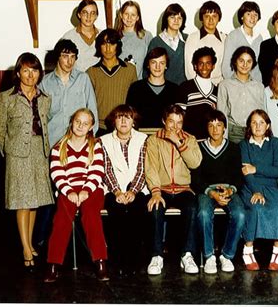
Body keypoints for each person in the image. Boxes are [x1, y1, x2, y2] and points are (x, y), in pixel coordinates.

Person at [0, 52, 54, 271]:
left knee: (34, 200)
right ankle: (26, 248)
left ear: (40, 73)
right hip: (17, 155)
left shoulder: (45, 98)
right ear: (18, 73)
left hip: (39, 152)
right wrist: (9, 151)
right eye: (26, 70)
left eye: (34, 70)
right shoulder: (6, 98)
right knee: (22, 201)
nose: (30, 75)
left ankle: (29, 241)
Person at [44, 108, 108, 283]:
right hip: (68, 189)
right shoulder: (58, 148)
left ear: (91, 127)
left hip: (92, 189)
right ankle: (53, 264)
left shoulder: (96, 146)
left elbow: (97, 172)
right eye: (78, 121)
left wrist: (86, 190)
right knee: (61, 219)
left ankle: (100, 261)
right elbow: (57, 174)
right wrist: (69, 190)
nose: (80, 126)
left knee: (91, 215)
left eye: (85, 123)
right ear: (72, 122)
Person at [144, 105, 202, 275]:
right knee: (155, 207)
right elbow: (151, 168)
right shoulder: (154, 140)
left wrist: (179, 142)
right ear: (164, 121)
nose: (175, 127)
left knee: (192, 207)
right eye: (171, 122)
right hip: (162, 188)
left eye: (179, 123)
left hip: (184, 189)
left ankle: (187, 254)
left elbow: (195, 163)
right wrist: (155, 192)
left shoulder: (190, 139)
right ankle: (156, 255)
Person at [192, 110, 246, 274]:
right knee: (203, 213)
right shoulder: (199, 147)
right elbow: (196, 179)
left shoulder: (234, 148)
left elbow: (239, 177)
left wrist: (230, 190)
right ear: (206, 128)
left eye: (219, 125)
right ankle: (209, 256)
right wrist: (211, 193)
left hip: (228, 189)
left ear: (224, 128)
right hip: (207, 190)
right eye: (211, 125)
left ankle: (227, 255)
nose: (215, 130)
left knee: (240, 214)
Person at [100, 105, 150, 277]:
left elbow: (143, 168)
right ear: (114, 121)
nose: (123, 121)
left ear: (133, 121)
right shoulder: (104, 140)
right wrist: (117, 192)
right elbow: (105, 169)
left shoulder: (143, 139)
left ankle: (135, 260)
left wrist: (133, 191)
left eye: (127, 117)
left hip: (137, 189)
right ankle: (117, 260)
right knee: (117, 213)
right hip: (113, 190)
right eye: (119, 117)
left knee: (138, 211)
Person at [239, 109, 278, 271]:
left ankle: (277, 249)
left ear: (268, 126)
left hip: (272, 187)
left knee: (274, 207)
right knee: (256, 207)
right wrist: (256, 191)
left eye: (261, 123)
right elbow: (246, 173)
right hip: (250, 187)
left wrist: (256, 168)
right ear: (249, 126)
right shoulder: (244, 145)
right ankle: (248, 249)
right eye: (254, 123)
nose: (258, 126)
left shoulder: (275, 143)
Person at [40, 39, 99, 148]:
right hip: (54, 142)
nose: (70, 61)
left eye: (73, 57)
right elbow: (41, 117)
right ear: (57, 57)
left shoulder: (83, 79)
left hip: (79, 143)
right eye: (65, 56)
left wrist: (90, 140)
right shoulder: (44, 83)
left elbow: (92, 111)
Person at [87, 28, 138, 135]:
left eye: (112, 43)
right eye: (104, 44)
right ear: (99, 47)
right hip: (100, 127)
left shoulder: (130, 69)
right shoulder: (91, 72)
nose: (108, 48)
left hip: (124, 126)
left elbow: (135, 102)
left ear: (117, 46)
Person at [217, 46, 265, 144]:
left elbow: (263, 114)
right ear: (235, 61)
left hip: (253, 132)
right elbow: (222, 114)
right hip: (233, 133)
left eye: (249, 61)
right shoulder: (224, 85)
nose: (245, 65)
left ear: (253, 64)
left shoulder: (259, 86)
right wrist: (223, 138)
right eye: (241, 61)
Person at [126, 47, 178, 128]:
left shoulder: (175, 90)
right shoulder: (136, 88)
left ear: (166, 66)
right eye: (154, 62)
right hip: (141, 136)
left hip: (167, 137)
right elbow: (129, 118)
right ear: (148, 65)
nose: (158, 67)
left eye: (162, 63)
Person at [177, 46, 218, 140]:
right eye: (201, 63)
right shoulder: (185, 87)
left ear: (213, 66)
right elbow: (178, 117)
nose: (204, 67)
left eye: (208, 63)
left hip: (208, 143)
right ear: (195, 66)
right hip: (189, 142)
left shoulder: (217, 91)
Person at [184, 0, 226, 85]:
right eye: (207, 16)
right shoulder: (193, 38)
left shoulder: (224, 38)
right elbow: (189, 68)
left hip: (218, 86)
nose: (211, 20)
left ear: (219, 18)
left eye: (214, 16)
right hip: (197, 85)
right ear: (201, 18)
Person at [147, 3, 188, 85]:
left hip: (183, 89)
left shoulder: (187, 40)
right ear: (166, 19)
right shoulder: (155, 42)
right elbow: (147, 69)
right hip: (162, 88)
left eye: (179, 18)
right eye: (172, 17)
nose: (176, 21)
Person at [222, 1, 262, 82]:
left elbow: (258, 67)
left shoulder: (259, 38)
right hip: (236, 84)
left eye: (255, 15)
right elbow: (226, 66)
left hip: (254, 84)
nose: (252, 18)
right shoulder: (233, 36)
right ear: (242, 17)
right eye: (248, 14)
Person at [116, 0, 153, 80]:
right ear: (121, 15)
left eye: (133, 15)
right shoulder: (115, 37)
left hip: (139, 85)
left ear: (137, 17)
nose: (129, 18)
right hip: (119, 83)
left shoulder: (146, 36)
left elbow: (151, 63)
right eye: (126, 14)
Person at [61, 0, 100, 72]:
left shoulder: (103, 35)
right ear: (79, 15)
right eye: (85, 13)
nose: (89, 17)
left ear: (96, 16)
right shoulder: (68, 37)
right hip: (77, 81)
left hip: (99, 81)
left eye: (93, 13)